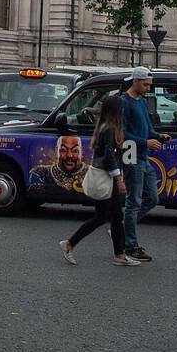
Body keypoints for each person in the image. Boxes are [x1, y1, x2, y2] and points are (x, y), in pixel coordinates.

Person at [58, 95, 140, 267]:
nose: (123, 110)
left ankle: (119, 254)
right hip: (107, 177)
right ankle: (70, 244)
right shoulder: (110, 129)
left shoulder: (102, 126)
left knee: (112, 216)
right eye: (121, 108)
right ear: (117, 111)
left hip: (104, 175)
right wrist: (119, 179)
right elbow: (109, 157)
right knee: (107, 217)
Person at [121, 67, 170, 263]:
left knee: (152, 198)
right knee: (134, 201)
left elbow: (147, 128)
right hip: (131, 155)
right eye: (145, 84)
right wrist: (146, 142)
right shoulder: (124, 103)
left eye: (150, 85)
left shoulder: (141, 102)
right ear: (135, 81)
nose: (148, 88)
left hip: (143, 156)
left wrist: (158, 136)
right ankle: (130, 245)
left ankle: (125, 229)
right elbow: (122, 134)